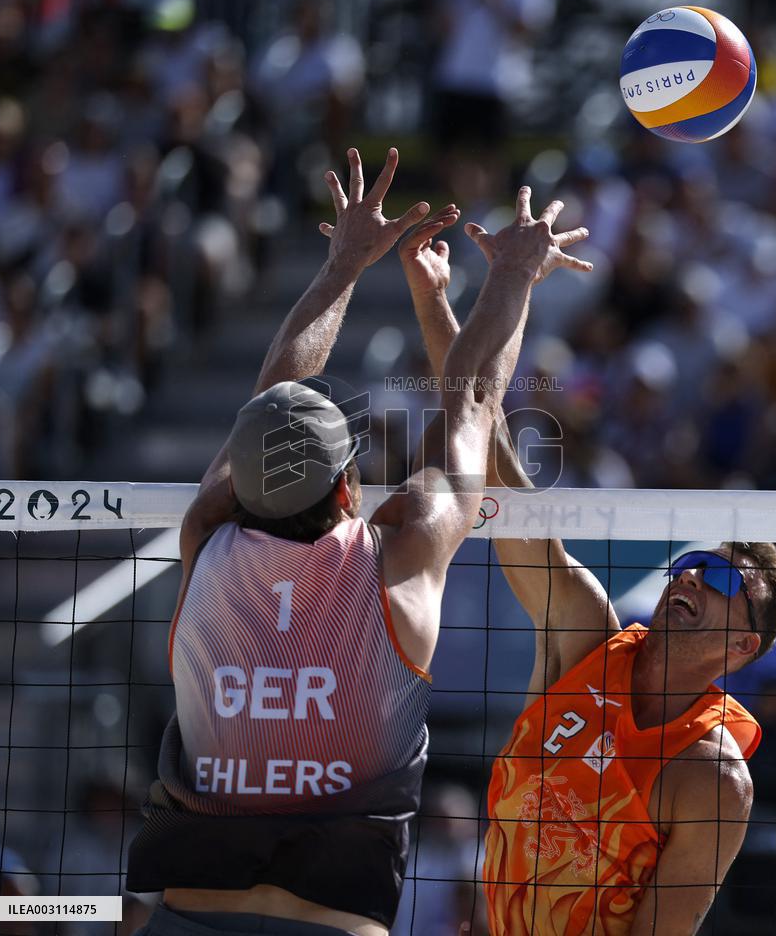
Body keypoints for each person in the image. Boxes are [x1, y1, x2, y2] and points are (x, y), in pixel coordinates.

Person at [126, 148, 567, 936]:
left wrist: (341, 268)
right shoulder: (398, 562)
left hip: (184, 920)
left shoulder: (206, 540)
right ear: (349, 489)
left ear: (241, 483)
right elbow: (469, 401)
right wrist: (511, 276)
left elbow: (269, 402)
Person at [398, 209, 776, 935]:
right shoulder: (585, 636)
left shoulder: (712, 777)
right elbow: (488, 455)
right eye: (699, 564)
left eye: (728, 583)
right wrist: (436, 304)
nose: (697, 580)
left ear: (745, 648)